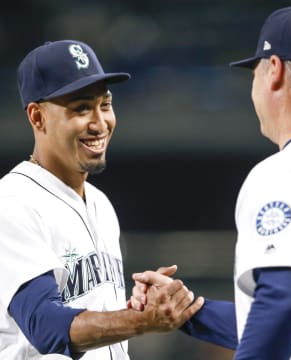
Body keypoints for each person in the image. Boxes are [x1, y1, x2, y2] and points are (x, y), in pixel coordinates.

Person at [130, 5, 291, 359]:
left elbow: (287, 302)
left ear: (274, 71)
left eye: (254, 73)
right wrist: (190, 310)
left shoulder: (286, 172)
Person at [0, 40, 204, 359]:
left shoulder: (101, 204)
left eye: (104, 105)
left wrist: (139, 307)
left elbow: (93, 319)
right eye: (81, 108)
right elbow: (45, 326)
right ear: (37, 117)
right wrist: (140, 320)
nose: (99, 123)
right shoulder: (12, 203)